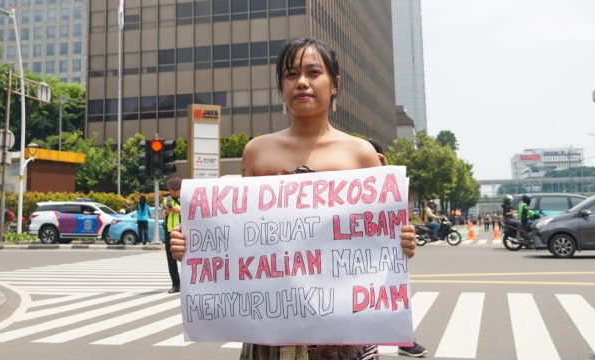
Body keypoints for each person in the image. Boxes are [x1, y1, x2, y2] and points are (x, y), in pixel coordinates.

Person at [170, 37, 417, 360]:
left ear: (334, 84)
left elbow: (379, 245)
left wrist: (403, 243)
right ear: (282, 85)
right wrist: (192, 245)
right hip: (274, 334)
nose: (301, 82)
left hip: (343, 335)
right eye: (290, 75)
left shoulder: (361, 155)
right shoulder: (258, 152)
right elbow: (242, 237)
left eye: (313, 72)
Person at [369, 140, 427, 358]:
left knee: (387, 296)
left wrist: (407, 242)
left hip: (376, 265)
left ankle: (404, 339)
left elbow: (396, 225)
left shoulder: (387, 193)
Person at [163, 177, 182, 294]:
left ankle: (189, 284)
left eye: (174, 190)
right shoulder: (166, 198)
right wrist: (166, 212)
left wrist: (179, 209)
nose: (172, 192)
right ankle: (176, 284)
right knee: (171, 259)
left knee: (186, 259)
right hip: (169, 231)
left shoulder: (185, 198)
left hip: (183, 230)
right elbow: (161, 213)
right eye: (170, 190)